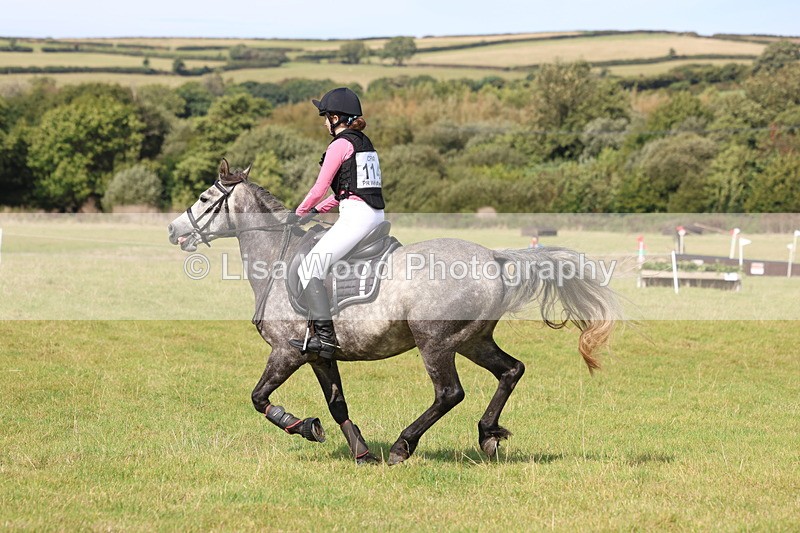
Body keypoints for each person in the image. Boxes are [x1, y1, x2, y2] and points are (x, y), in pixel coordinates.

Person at [288, 87, 385, 359]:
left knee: (310, 266)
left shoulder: (339, 145)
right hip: (375, 215)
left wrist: (300, 211)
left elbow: (320, 186)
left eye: (325, 116)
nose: (323, 122)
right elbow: (346, 191)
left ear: (335, 118)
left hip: (356, 218)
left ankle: (326, 340)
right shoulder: (364, 143)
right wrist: (317, 211)